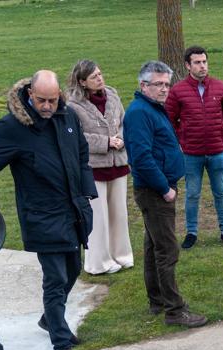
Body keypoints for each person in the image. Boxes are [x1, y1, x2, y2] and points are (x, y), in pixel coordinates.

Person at [0, 70, 96, 350]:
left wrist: (86, 191)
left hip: (73, 211)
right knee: (55, 279)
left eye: (52, 99)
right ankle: (62, 347)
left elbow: (81, 153)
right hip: (42, 216)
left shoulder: (67, 118)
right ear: (30, 94)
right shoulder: (12, 127)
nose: (46, 106)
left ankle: (50, 318)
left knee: (73, 270)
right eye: (41, 100)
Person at [123, 60, 208, 328]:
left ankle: (157, 301)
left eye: (166, 84)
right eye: (157, 84)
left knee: (153, 247)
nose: (164, 89)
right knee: (167, 250)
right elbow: (141, 158)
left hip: (159, 187)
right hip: (155, 191)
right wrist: (165, 189)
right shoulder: (139, 113)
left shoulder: (152, 108)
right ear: (143, 85)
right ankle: (174, 309)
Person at [165, 46, 223, 249]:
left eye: (204, 61)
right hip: (191, 154)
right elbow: (169, 119)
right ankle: (191, 232)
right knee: (192, 193)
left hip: (217, 152)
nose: (202, 66)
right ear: (188, 66)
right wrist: (181, 140)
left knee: (221, 192)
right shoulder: (178, 91)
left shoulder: (220, 87)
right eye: (197, 62)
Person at [66, 60, 134, 275]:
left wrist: (120, 139)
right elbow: (76, 136)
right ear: (82, 82)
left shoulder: (112, 95)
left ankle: (121, 255)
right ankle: (99, 262)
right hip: (93, 167)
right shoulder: (73, 105)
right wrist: (105, 142)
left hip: (118, 163)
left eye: (100, 74)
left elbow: (124, 122)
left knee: (119, 214)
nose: (100, 79)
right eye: (94, 76)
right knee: (98, 216)